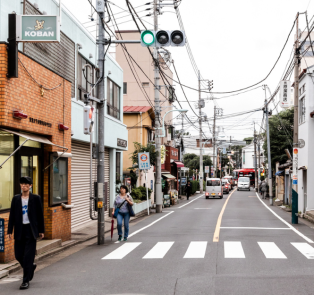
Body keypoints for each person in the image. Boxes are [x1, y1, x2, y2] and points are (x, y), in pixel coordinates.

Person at [7, 176, 45, 290]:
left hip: (31, 230)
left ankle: (25, 281)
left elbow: (40, 215)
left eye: (26, 184)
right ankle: (30, 268)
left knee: (28, 256)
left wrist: (41, 230)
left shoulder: (36, 198)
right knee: (18, 255)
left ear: (30, 186)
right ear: (20, 186)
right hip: (19, 230)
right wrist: (9, 230)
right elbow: (12, 215)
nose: (24, 186)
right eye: (22, 184)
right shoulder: (16, 199)